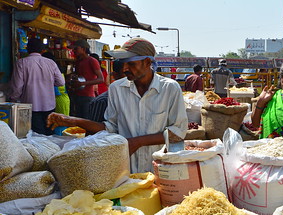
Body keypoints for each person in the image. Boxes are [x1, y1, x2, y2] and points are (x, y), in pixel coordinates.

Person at [47, 37, 188, 173]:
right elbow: (110, 128)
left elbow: (178, 132)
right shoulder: (116, 89)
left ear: (146, 62)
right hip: (125, 168)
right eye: (123, 62)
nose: (125, 68)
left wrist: (137, 142)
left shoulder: (170, 88)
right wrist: (72, 121)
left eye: (131, 64)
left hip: (160, 168)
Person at [9, 38, 65, 135]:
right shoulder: (51, 63)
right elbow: (61, 82)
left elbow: (17, 87)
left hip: (30, 106)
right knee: (49, 134)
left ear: (27, 49)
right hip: (49, 105)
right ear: (42, 50)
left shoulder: (21, 63)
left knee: (36, 137)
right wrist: (49, 82)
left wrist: (13, 99)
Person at [68, 39, 104, 119]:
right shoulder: (78, 62)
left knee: (87, 120)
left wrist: (82, 84)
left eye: (76, 48)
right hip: (77, 96)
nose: (74, 51)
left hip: (87, 97)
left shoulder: (92, 61)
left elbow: (101, 79)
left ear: (83, 49)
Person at [42, 51, 70, 116]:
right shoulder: (57, 70)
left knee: (61, 121)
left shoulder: (54, 72)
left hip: (59, 99)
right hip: (62, 99)